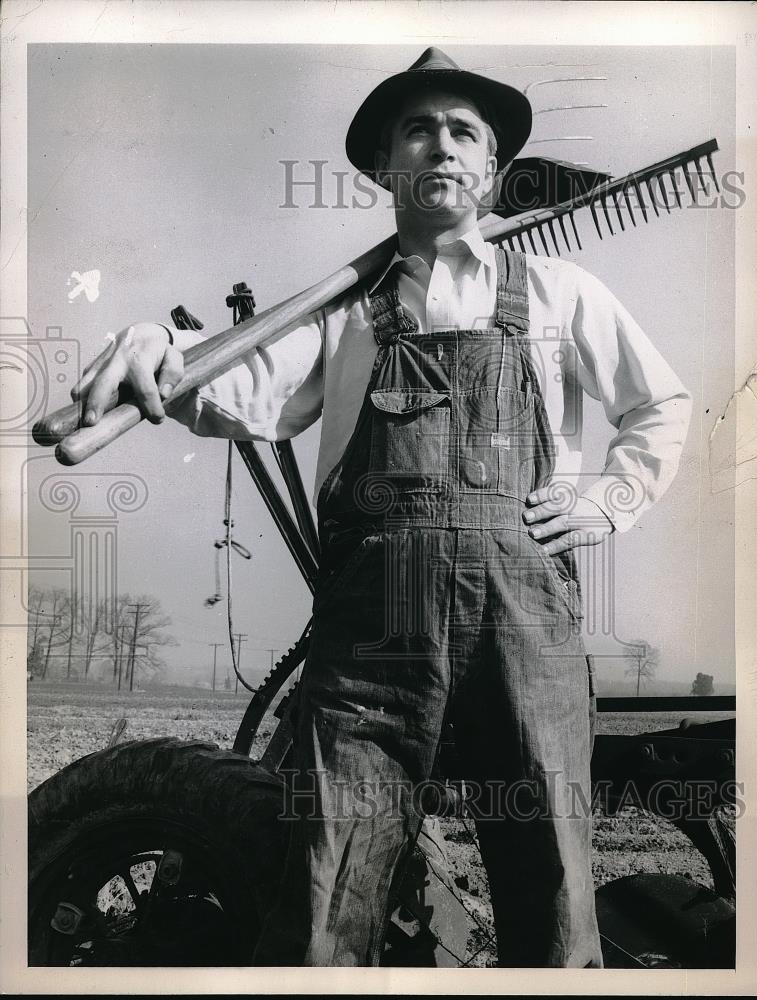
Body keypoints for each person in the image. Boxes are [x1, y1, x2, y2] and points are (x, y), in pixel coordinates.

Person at [71, 48, 692, 967]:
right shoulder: (342, 315)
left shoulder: (561, 292)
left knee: (551, 880)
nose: (439, 145)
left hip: (524, 619)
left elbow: (661, 402)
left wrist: (608, 500)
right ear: (384, 168)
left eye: (461, 132)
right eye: (417, 129)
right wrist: (157, 342)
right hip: (373, 639)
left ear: (489, 170)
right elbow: (227, 389)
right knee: (330, 873)